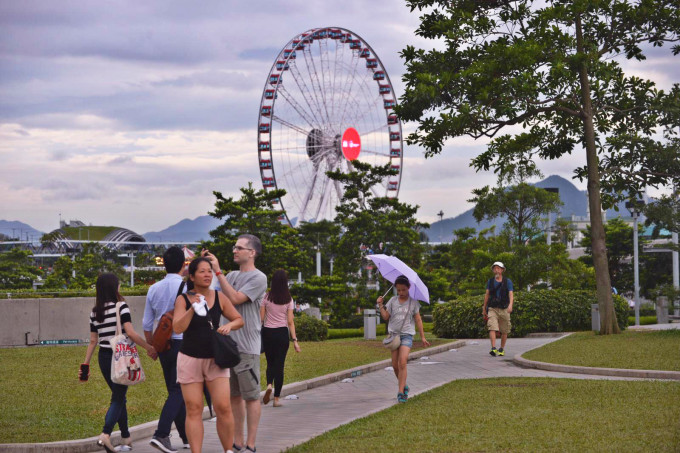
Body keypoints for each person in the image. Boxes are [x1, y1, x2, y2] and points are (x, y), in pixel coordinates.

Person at [202, 234, 267, 453]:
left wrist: (218, 272)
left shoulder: (259, 278)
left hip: (247, 347)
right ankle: (237, 441)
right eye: (234, 247)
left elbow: (236, 298)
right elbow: (214, 295)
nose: (234, 251)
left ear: (252, 253)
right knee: (234, 397)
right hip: (227, 346)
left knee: (250, 396)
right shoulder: (230, 275)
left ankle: (251, 442)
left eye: (239, 248)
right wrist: (205, 268)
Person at [173, 257, 244, 453]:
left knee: (223, 407)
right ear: (193, 276)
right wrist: (192, 309)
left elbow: (239, 319)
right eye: (202, 271)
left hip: (216, 360)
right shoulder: (183, 299)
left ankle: (228, 450)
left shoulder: (220, 297)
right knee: (194, 409)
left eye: (209, 271)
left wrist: (228, 325)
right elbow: (177, 328)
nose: (207, 275)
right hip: (189, 359)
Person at [80, 273, 156, 453]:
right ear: (114, 288)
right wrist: (148, 347)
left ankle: (126, 437)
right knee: (118, 397)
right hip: (119, 357)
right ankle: (105, 435)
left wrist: (85, 365)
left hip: (103, 357)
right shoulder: (121, 306)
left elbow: (93, 341)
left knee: (119, 396)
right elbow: (129, 332)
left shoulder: (94, 311)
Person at [143, 246, 189, 452]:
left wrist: (153, 346)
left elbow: (146, 323)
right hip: (182, 342)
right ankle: (161, 434)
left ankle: (186, 436)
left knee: (174, 389)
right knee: (178, 390)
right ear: (183, 265)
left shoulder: (154, 288)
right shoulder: (188, 288)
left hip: (163, 346)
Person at [376, 275, 430, 403]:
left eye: (403, 290)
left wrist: (422, 337)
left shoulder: (413, 303)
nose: (401, 293)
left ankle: (400, 393)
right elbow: (385, 317)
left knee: (402, 362)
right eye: (398, 290)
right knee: (395, 365)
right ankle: (404, 385)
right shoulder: (393, 301)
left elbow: (418, 320)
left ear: (409, 288)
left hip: (407, 335)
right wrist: (380, 305)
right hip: (394, 336)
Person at [260, 269, 301, 407]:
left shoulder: (266, 297)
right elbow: (290, 322)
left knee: (270, 362)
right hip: (282, 334)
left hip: (268, 333)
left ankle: (269, 384)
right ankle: (276, 399)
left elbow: (261, 318)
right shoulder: (288, 299)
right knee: (280, 365)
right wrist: (295, 340)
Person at [482, 261, 514, 357]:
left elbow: (511, 294)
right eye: (495, 268)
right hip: (493, 308)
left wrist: (510, 305)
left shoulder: (507, 281)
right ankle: (493, 348)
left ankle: (501, 349)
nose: (497, 270)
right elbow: (487, 295)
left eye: (498, 268)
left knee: (504, 330)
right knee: (492, 327)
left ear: (502, 270)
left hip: (504, 308)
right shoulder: (490, 281)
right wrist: (484, 308)